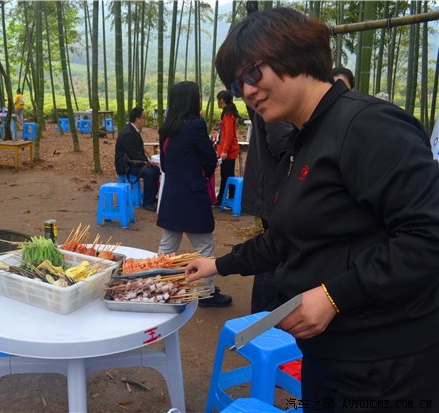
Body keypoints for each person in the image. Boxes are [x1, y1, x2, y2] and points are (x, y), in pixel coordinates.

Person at [187, 7, 439, 411]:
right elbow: (287, 239)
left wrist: (334, 296)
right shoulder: (307, 137)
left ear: (293, 53)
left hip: (386, 366)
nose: (247, 91)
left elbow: (428, 237)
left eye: (252, 73)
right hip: (329, 355)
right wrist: (217, 265)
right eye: (237, 85)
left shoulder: (369, 126)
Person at [157, 81, 232, 308]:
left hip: (171, 195)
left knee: (167, 247)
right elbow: (210, 159)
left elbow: (165, 164)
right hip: (192, 196)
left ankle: (158, 284)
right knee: (205, 247)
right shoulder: (196, 126)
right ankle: (205, 292)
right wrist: (202, 176)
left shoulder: (166, 128)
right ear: (192, 100)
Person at [242, 112, 295, 313]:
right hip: (273, 191)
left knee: (274, 253)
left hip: (269, 189)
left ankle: (267, 314)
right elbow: (282, 144)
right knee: (272, 254)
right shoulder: (279, 103)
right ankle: (263, 317)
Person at [114, 107, 160, 211]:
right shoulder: (128, 133)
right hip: (125, 165)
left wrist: (147, 161)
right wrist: (146, 162)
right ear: (137, 119)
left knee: (155, 169)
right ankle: (147, 202)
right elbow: (132, 154)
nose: (145, 120)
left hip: (133, 162)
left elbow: (138, 152)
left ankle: (151, 198)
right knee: (150, 172)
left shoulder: (133, 130)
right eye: (144, 117)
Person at [213, 90, 240, 209]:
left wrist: (224, 151)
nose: (217, 102)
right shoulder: (226, 113)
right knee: (226, 175)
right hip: (226, 150)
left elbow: (229, 134)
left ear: (222, 100)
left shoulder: (228, 115)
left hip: (228, 151)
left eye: (218, 100)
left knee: (227, 175)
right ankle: (224, 198)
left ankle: (228, 199)